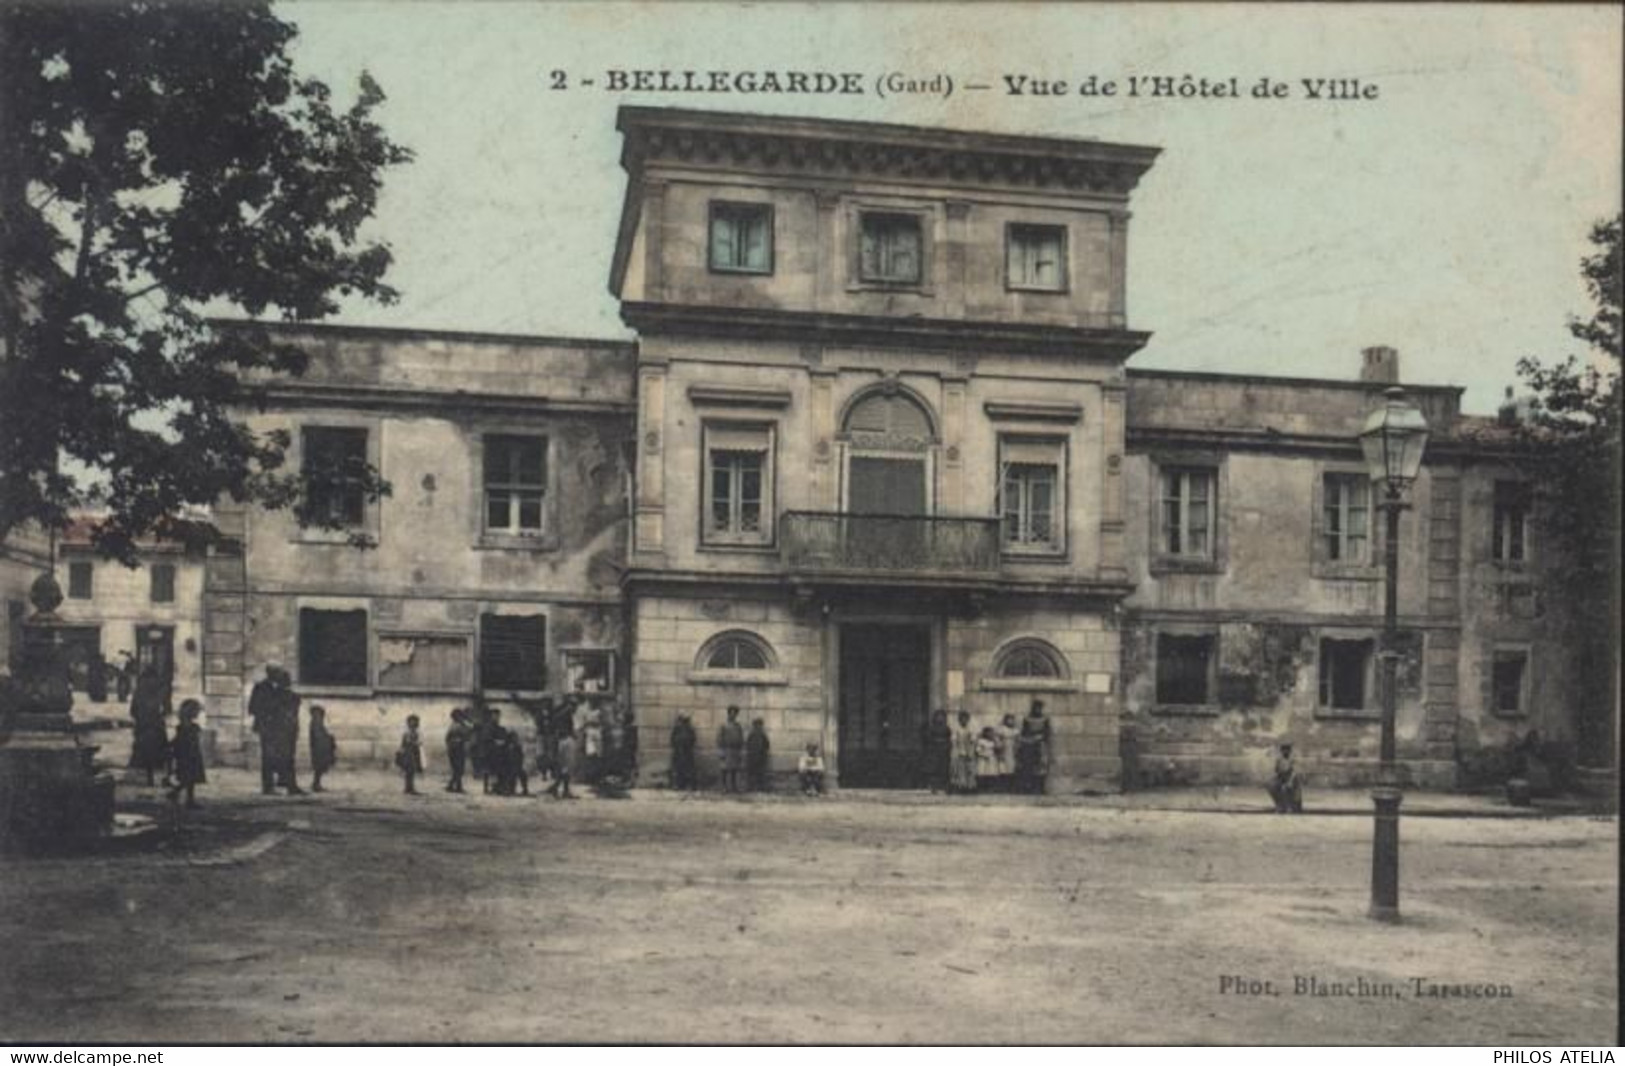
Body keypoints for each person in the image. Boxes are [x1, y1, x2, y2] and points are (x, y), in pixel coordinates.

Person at [128, 663, 171, 786]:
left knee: (146, 753)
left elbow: (132, 710)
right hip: (156, 725)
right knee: (163, 751)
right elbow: (166, 708)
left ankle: (149, 779)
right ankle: (166, 778)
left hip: (143, 726)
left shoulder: (139, 689)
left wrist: (140, 718)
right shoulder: (160, 688)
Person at [167, 699, 206, 809]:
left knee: (188, 779)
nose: (198, 713)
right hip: (189, 756)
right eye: (197, 711)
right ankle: (187, 799)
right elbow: (185, 741)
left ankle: (180, 794)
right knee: (189, 779)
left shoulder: (184, 726)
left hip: (187, 755)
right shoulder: (189, 727)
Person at [1015, 699, 1052, 795]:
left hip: (1041, 744)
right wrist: (1029, 739)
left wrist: (1041, 737)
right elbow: (1024, 731)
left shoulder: (1045, 719)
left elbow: (1047, 732)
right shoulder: (1027, 719)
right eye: (1036, 708)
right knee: (1029, 766)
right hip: (1029, 744)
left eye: (1039, 708)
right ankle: (1029, 787)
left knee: (1041, 767)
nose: (1037, 710)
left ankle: (1040, 788)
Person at [717, 705, 745, 794]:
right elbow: (719, 739)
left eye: (735, 714)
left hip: (735, 751)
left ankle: (734, 787)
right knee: (724, 769)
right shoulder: (723, 725)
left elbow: (741, 738)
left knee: (734, 769)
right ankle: (723, 787)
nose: (733, 715)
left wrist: (741, 751)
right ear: (728, 714)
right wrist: (721, 751)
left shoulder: (738, 726)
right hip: (726, 749)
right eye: (731, 713)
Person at [308, 704, 337, 792]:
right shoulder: (316, 723)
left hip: (320, 749)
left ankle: (316, 783)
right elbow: (319, 737)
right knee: (319, 768)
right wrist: (329, 738)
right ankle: (316, 784)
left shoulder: (316, 723)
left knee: (319, 769)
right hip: (320, 751)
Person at [1268, 743, 1303, 813]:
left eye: (1287, 750)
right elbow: (1277, 771)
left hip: (1293, 780)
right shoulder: (1279, 760)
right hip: (1282, 778)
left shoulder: (1293, 760)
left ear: (1289, 751)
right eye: (1283, 750)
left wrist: (1289, 781)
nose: (1285, 752)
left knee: (1285, 788)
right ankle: (1280, 805)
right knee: (1272, 786)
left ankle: (1289, 806)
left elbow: (1294, 773)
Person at [922, 709, 952, 792]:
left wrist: (947, 746)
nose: (940, 719)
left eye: (942, 717)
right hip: (934, 751)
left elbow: (949, 739)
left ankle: (945, 786)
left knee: (944, 769)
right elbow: (928, 738)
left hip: (944, 751)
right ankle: (934, 786)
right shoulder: (931, 728)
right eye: (938, 717)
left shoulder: (946, 728)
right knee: (934, 769)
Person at [949, 710, 979, 793]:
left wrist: (971, 747)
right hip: (959, 749)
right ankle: (960, 786)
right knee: (959, 768)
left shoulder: (971, 728)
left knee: (970, 768)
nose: (964, 721)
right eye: (962, 719)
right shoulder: (956, 728)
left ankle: (971, 787)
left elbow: (973, 739)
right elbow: (954, 739)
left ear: (968, 719)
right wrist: (956, 748)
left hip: (969, 749)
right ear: (959, 720)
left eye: (965, 719)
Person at [445, 707, 472, 793]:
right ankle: (454, 786)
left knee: (459, 769)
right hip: (455, 749)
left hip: (459, 748)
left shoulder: (460, 725)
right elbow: (448, 738)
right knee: (458, 769)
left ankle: (455, 786)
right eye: (458, 716)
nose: (460, 718)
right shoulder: (455, 726)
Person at [396, 714, 424, 795]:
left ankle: (409, 787)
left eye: (415, 722)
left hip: (413, 752)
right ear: (409, 723)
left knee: (411, 771)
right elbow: (408, 742)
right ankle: (409, 788)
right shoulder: (408, 732)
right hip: (408, 753)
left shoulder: (414, 732)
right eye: (412, 722)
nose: (414, 724)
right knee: (409, 771)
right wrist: (417, 743)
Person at [670, 712, 698, 791]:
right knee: (677, 769)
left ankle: (689, 785)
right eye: (682, 720)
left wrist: (688, 746)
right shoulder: (676, 729)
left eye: (685, 720)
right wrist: (677, 747)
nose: (684, 722)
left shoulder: (690, 729)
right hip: (678, 752)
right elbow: (672, 740)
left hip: (687, 752)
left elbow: (693, 739)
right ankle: (678, 785)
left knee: (689, 769)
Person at [550, 725, 577, 799]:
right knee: (562, 777)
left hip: (567, 762)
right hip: (565, 762)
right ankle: (556, 790)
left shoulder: (566, 741)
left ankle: (565, 792)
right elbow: (562, 754)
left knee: (565, 778)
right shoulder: (566, 742)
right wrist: (564, 764)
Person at [745, 717, 771, 792]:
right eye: (757, 725)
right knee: (751, 772)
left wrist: (764, 752)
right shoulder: (751, 734)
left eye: (760, 725)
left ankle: (760, 787)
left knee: (761, 773)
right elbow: (747, 744)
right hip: (752, 756)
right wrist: (750, 753)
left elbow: (767, 745)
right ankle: (750, 787)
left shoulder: (763, 734)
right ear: (754, 725)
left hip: (761, 756)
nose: (758, 727)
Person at [996, 713, 1020, 792]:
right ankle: (1002, 787)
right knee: (1003, 768)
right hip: (1004, 749)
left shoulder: (1015, 730)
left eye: (1012, 720)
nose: (1010, 721)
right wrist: (1000, 748)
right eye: (1008, 719)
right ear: (1005, 720)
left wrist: (1017, 749)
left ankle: (1011, 787)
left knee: (1012, 768)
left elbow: (1017, 741)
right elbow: (998, 740)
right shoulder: (1002, 729)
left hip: (1012, 750)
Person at [975, 726, 1001, 791]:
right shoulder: (981, 741)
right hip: (983, 758)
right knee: (982, 772)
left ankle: (992, 786)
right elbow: (978, 750)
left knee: (991, 772)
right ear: (985, 733)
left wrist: (995, 741)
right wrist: (982, 754)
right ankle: (982, 786)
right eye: (988, 733)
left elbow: (998, 748)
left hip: (991, 758)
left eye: (991, 733)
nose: (990, 734)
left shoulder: (993, 741)